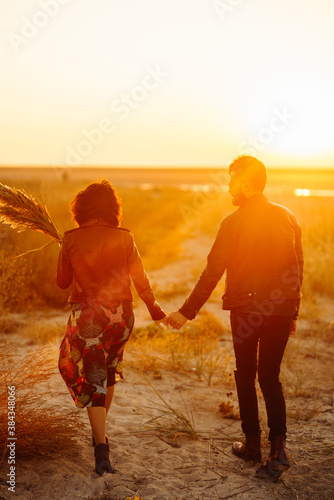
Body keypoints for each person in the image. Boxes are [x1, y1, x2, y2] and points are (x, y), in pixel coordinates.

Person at [167, 155, 303, 480]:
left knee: (246, 374)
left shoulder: (233, 222)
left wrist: (186, 312)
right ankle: (278, 449)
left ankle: (253, 445)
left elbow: (212, 271)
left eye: (231, 180)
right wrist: (292, 311)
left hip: (247, 310)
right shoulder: (288, 217)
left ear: (245, 183)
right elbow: (298, 269)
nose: (227, 186)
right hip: (282, 308)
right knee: (270, 377)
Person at [57, 180, 168, 475]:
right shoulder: (125, 237)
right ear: (112, 209)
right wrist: (155, 309)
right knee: (107, 371)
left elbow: (62, 282)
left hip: (90, 317)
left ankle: (101, 450)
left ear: (81, 208)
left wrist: (67, 251)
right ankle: (99, 435)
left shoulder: (70, 238)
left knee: (86, 373)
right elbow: (140, 279)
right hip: (122, 316)